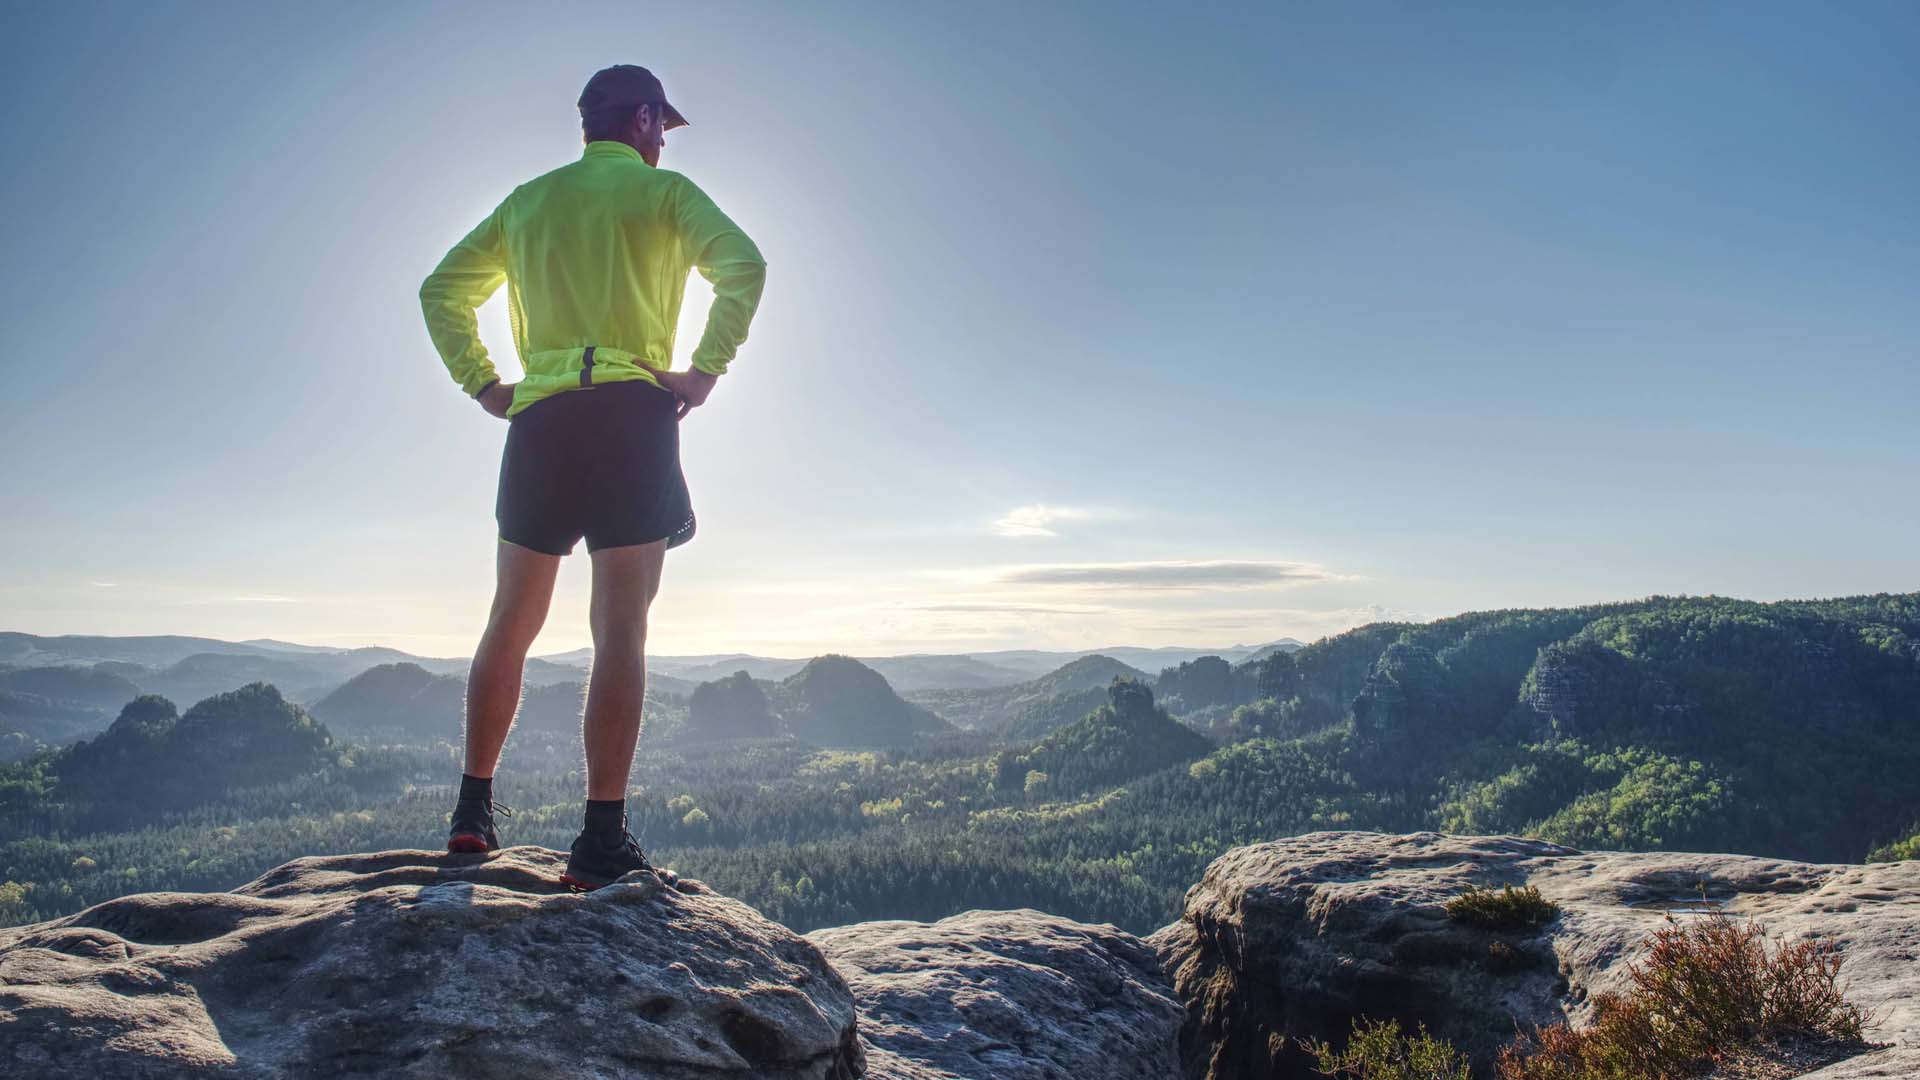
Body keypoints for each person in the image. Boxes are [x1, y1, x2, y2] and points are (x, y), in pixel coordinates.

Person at [418, 64, 766, 890]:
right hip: (631, 418)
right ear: (642, 119)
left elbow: (442, 291)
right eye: (660, 126)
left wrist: (486, 384)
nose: (661, 143)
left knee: (512, 616)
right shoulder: (667, 197)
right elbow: (743, 266)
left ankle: (473, 813)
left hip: (539, 420)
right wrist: (704, 372)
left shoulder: (528, 200)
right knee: (620, 628)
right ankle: (600, 841)